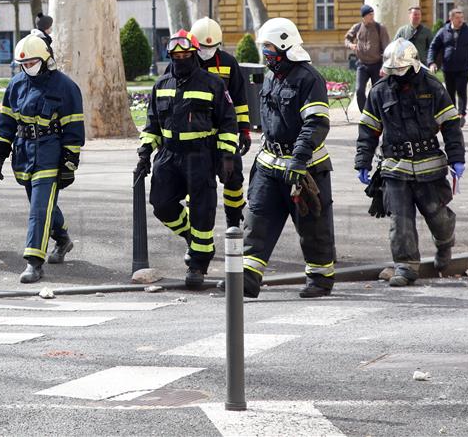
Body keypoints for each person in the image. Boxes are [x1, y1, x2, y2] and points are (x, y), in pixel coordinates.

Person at [356, 38, 464, 286]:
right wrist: (363, 160)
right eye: (392, 71)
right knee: (400, 221)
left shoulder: (432, 87)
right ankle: (405, 267)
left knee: (438, 217)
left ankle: (445, 242)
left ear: (414, 65)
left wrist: (457, 158)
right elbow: (368, 130)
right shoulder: (380, 91)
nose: (397, 76)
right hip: (394, 168)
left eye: (400, 71)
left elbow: (450, 124)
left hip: (429, 167)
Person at [135, 29, 238, 288]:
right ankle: (193, 238)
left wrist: (227, 156)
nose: (180, 59)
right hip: (169, 154)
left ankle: (197, 264)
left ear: (194, 54)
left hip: (200, 154)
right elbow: (152, 125)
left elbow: (228, 122)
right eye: (175, 55)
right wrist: (145, 153)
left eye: (185, 54)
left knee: (203, 211)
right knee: (161, 203)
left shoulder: (213, 83)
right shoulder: (161, 85)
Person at [243, 17, 336, 299]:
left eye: (270, 48)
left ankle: (320, 279)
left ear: (285, 46)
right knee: (256, 219)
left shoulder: (309, 79)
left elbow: (316, 123)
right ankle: (247, 278)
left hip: (306, 169)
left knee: (313, 226)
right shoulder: (272, 78)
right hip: (270, 165)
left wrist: (298, 159)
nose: (266, 54)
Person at [0, 33, 85, 284]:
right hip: (23, 154)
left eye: (32, 63)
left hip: (50, 153)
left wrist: (69, 162)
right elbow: (7, 122)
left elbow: (74, 129)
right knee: (43, 204)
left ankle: (34, 262)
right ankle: (63, 239)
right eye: (23, 64)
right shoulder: (16, 84)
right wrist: (0, 152)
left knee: (38, 209)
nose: (27, 68)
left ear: (45, 60)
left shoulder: (65, 86)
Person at [190, 17, 250, 228]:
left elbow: (240, 100)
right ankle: (196, 228)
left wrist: (244, 130)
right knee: (196, 184)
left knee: (234, 179)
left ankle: (233, 221)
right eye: (204, 47)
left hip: (224, 133)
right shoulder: (185, 62)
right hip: (195, 137)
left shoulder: (228, 62)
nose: (208, 51)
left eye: (212, 46)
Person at [428, 8, 468, 124]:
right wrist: (431, 62)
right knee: (449, 92)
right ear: (451, 18)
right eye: (457, 18)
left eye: (462, 18)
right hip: (448, 68)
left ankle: (461, 114)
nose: (460, 20)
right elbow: (433, 47)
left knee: (461, 90)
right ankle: (452, 114)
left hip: (463, 67)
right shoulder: (443, 31)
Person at [345, 4, 390, 112]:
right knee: (359, 90)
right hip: (362, 64)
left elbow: (386, 49)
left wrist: (384, 66)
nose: (372, 16)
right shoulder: (357, 27)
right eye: (370, 14)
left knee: (377, 91)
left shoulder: (380, 28)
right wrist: (351, 45)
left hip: (377, 65)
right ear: (364, 16)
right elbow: (347, 39)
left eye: (372, 14)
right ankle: (365, 114)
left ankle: (378, 114)